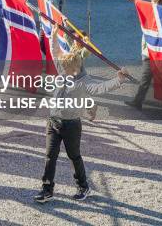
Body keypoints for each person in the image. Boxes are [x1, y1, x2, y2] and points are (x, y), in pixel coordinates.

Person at [34, 30, 129, 203]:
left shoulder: (84, 82)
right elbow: (55, 52)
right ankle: (46, 189)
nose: (61, 69)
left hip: (71, 125)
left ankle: (83, 187)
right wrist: (54, 34)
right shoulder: (63, 70)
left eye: (66, 68)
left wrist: (119, 80)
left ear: (75, 69)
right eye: (62, 67)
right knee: (50, 156)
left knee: (74, 156)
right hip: (53, 122)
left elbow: (101, 88)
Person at [125, 0, 162, 110]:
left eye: (152, 5)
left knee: (145, 79)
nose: (150, 6)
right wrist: (135, 0)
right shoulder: (153, 17)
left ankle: (137, 102)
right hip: (151, 54)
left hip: (153, 55)